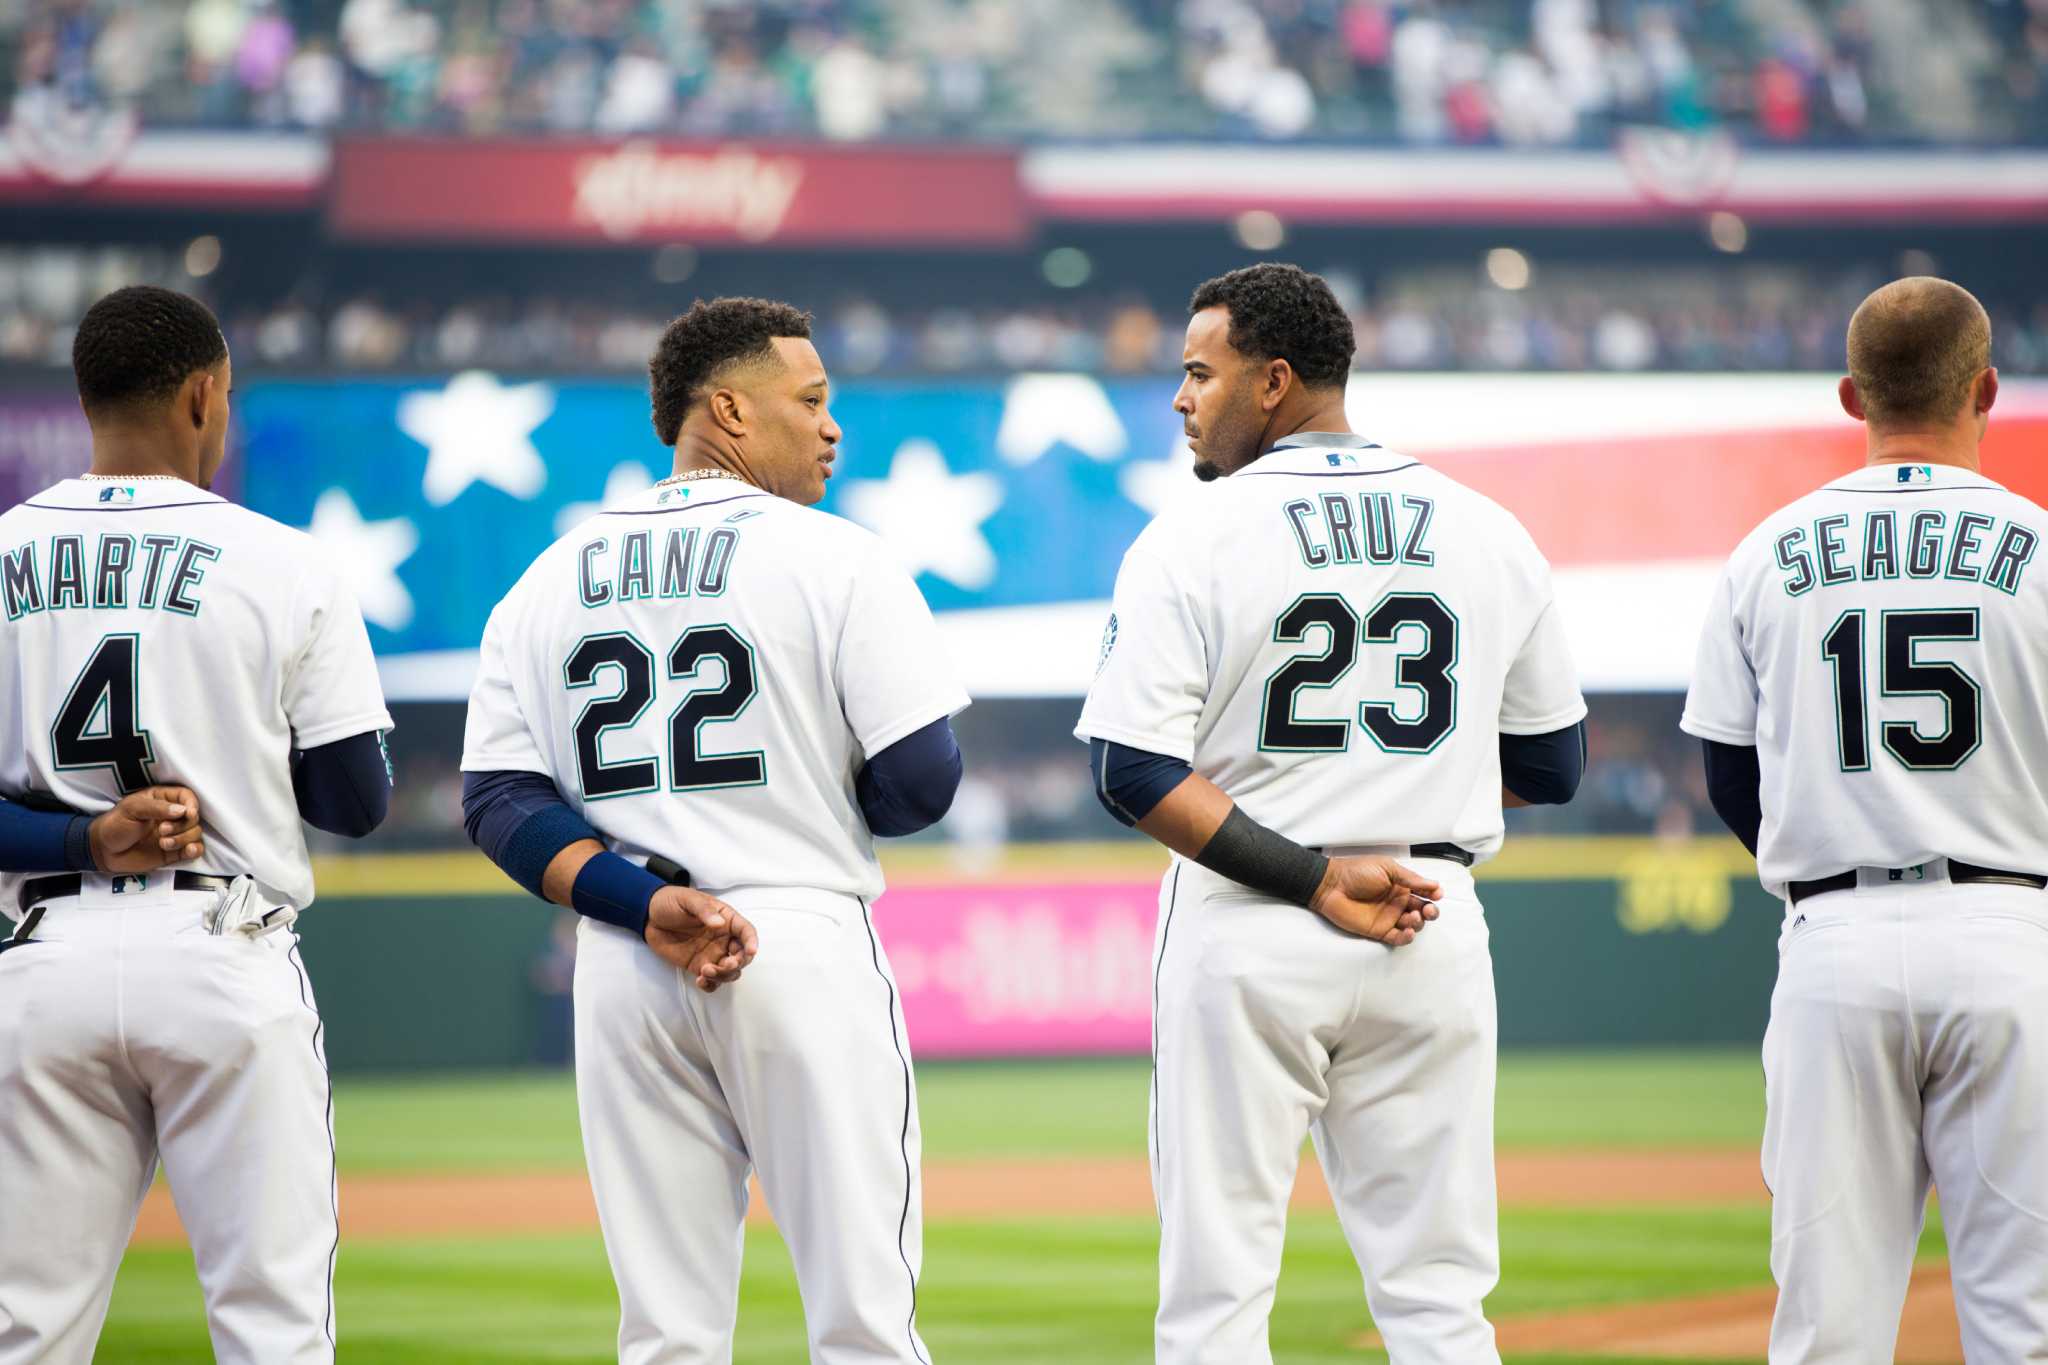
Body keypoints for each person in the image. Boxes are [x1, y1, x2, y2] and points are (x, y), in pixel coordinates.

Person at [1076, 263, 1587, 1365]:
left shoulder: (1193, 534)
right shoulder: (1484, 525)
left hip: (1253, 916)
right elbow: (1549, 764)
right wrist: (1409, 792)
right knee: (1439, 1301)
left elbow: (1129, 771)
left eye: (1198, 373)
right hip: (1428, 914)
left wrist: (1312, 872)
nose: (1179, 398)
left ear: (1271, 382)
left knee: (1215, 1299)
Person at [460, 296, 967, 1364]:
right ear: (727, 411)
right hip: (795, 932)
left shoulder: (546, 578)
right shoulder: (834, 556)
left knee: (666, 1331)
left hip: (629, 953)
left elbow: (499, 804)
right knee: (864, 1319)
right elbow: (922, 780)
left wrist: (640, 903)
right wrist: (812, 803)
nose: (833, 426)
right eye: (812, 400)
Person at [0, 285, 394, 1364]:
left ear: (86, 400)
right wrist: (231, 742)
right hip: (224, 951)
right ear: (203, 395)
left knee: (26, 1331)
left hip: (43, 958)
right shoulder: (286, 560)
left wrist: (83, 838)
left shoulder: (3, 551)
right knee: (271, 1327)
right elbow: (355, 801)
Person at [1682, 276, 2048, 1361]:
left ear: (1850, 395)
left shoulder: (1763, 554)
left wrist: (1826, 858)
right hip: (2007, 936)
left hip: (1830, 942)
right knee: (2021, 1320)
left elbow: (1726, 776)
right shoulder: (2037, 543)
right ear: (1985, 387)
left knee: (1824, 1332)